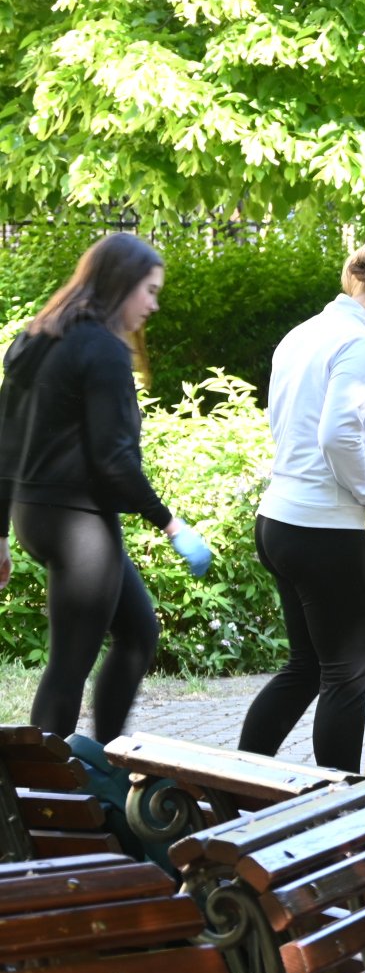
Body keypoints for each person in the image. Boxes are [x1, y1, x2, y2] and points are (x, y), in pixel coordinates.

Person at [0, 232, 212, 743]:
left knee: (138, 632)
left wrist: (1, 531)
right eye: (150, 290)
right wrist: (171, 523)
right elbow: (114, 460)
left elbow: (4, 443)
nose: (153, 305)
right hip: (79, 523)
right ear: (121, 285)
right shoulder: (104, 350)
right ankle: (34, 796)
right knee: (69, 664)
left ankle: (105, 760)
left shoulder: (37, 338)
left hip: (36, 513)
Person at [238, 240, 365, 773]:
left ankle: (241, 780)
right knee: (348, 674)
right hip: (324, 532)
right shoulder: (358, 344)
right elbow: (339, 435)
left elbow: (280, 419)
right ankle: (341, 806)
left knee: (308, 667)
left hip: (277, 521)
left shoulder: (302, 335)